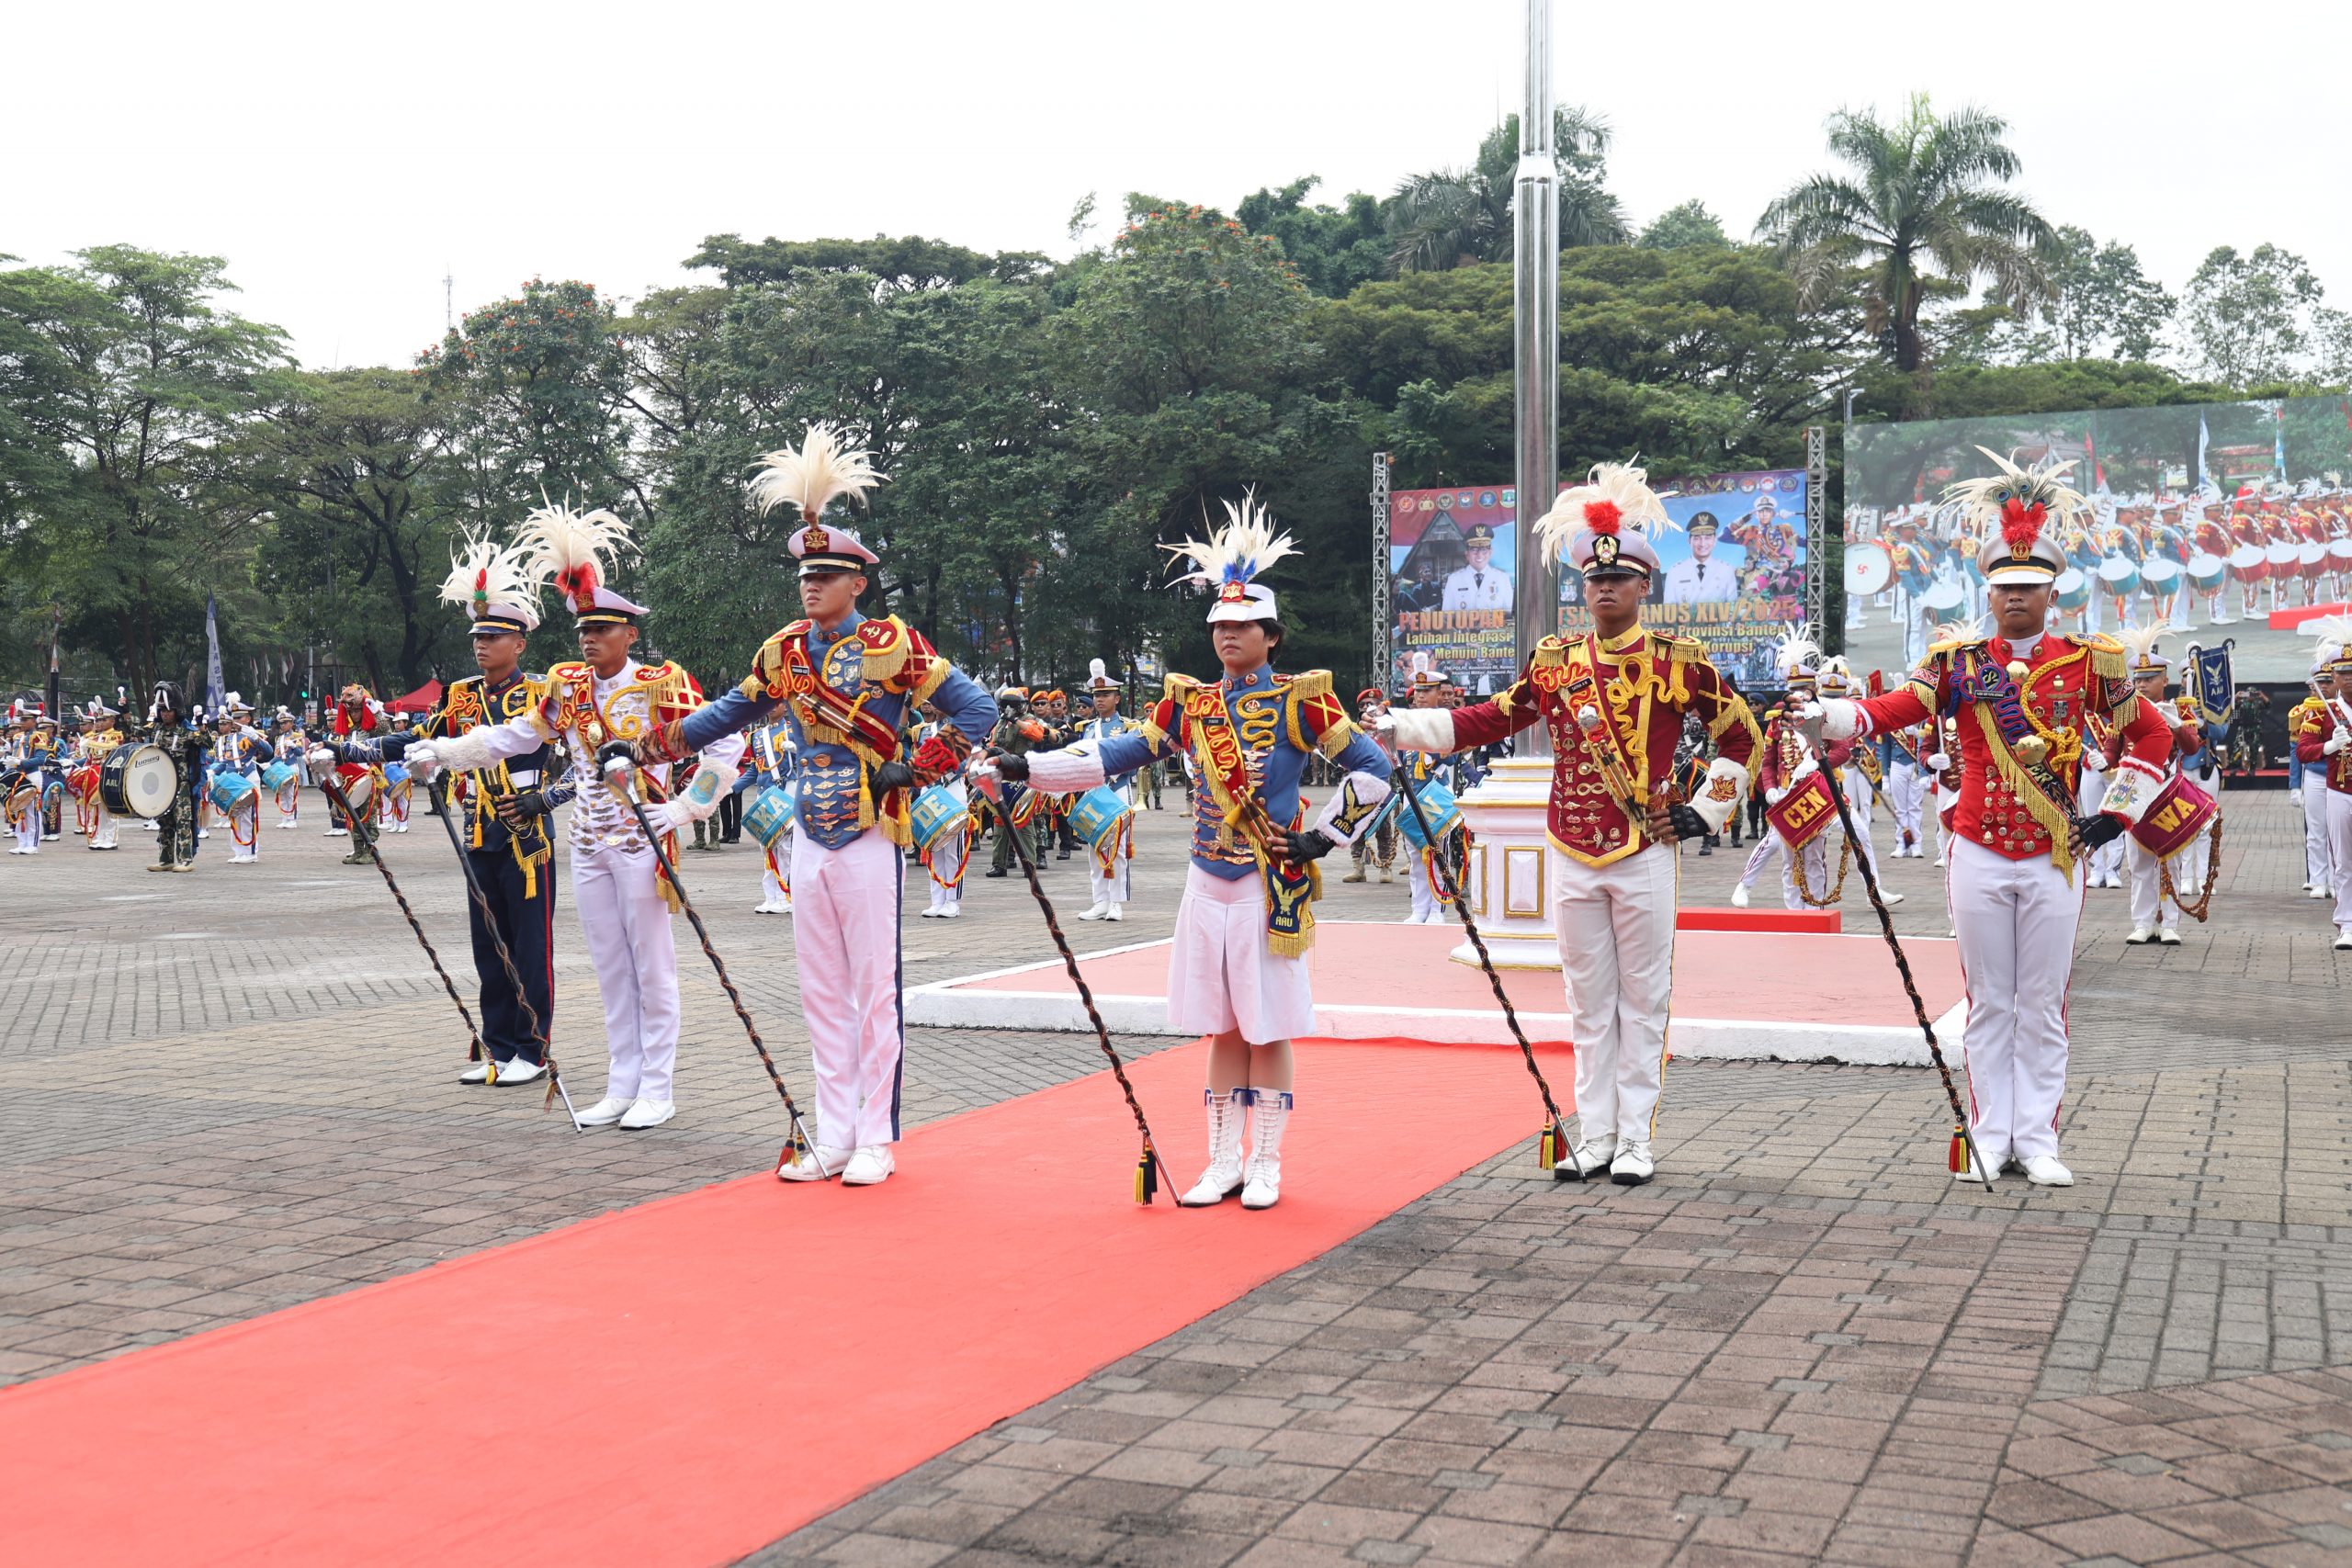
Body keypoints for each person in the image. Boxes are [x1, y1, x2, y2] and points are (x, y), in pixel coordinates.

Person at [614, 427, 998, 1185]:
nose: (810, 586)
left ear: (858, 583)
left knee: (874, 989)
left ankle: (876, 1136)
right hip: (808, 831)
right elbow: (725, 714)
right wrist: (647, 747)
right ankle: (832, 1133)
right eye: (804, 575)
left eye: (825, 575)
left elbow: (977, 710)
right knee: (820, 990)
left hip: (871, 829)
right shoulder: (785, 652)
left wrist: (918, 767)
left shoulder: (894, 644)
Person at [990, 493, 1393, 1210]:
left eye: (1242, 625)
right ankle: (1222, 1159)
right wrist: (1031, 767)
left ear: (1271, 635)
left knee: (1267, 1027)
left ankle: (1265, 1162)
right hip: (1206, 881)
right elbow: (1117, 753)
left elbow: (1375, 768)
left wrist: (1321, 838)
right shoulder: (1189, 703)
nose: (1227, 635)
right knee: (1222, 1025)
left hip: (1267, 882)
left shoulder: (1303, 700)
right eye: (1219, 626)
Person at [1383, 462, 1758, 1184]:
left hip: (1644, 846)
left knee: (1643, 1000)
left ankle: (1636, 1139)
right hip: (1572, 846)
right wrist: (1404, 727)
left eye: (1619, 579)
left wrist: (1704, 810)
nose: (1605, 588)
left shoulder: (1679, 662)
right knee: (1587, 1001)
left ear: (1644, 586)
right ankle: (1596, 1134)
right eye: (1594, 579)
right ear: (1583, 588)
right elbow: (1491, 718)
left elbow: (1742, 736)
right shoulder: (1556, 663)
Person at [1809, 448, 2173, 1186]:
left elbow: (2154, 734)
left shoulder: (2089, 663)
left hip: (2055, 853)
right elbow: (1897, 707)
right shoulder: (1957, 660)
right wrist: (1834, 716)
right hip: (1975, 846)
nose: (2015, 598)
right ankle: (1987, 1135)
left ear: (2051, 592)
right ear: (1990, 589)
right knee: (1988, 1003)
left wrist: (2119, 814)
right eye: (2004, 586)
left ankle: (2036, 1140)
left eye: (2028, 587)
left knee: (2041, 1003)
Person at [404, 502, 744, 1130]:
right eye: (584, 627)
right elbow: (516, 736)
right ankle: (621, 1083)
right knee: (611, 969)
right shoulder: (568, 688)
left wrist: (686, 808)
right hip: (588, 842)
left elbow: (726, 743)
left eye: (603, 628)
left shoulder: (662, 683)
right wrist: (445, 751)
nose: (589, 637)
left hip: (642, 839)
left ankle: (658, 1088)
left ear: (630, 634)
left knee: (652, 968)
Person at [339, 535, 572, 1086]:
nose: (482, 646)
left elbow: (573, 759)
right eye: (477, 637)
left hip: (526, 834)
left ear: (519, 643)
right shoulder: (460, 694)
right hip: (477, 832)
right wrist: (348, 749)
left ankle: (533, 1050)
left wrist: (543, 798)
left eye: (493, 637)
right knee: (488, 945)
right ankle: (498, 1048)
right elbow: (418, 737)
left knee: (530, 948)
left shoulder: (542, 694)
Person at [2110, 626, 2207, 946]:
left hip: (2166, 792)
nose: (2141, 684)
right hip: (2135, 793)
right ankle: (2143, 922)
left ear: (2164, 680)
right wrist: (2104, 761)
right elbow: (2113, 749)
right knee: (2138, 862)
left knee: (2171, 860)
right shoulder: (2126, 710)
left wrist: (2177, 726)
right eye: (2137, 679)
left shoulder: (2179, 708)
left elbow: (2192, 748)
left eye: (2149, 679)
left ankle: (2170, 923)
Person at [2292, 618, 2352, 951]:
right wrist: (2329, 746)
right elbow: (2303, 751)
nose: (2348, 677)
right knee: (2342, 859)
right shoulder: (2321, 711)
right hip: (2339, 791)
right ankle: (2347, 923)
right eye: (2342, 672)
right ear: (2333, 676)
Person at [1075, 660, 1140, 921]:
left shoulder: (1127, 726)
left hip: (1117, 789)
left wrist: (1109, 773)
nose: (1100, 700)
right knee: (1095, 847)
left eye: (1105, 695)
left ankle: (1116, 902)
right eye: (1096, 695)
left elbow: (1134, 761)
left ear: (1117, 698)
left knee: (1118, 848)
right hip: (1093, 791)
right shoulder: (1088, 728)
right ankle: (1100, 900)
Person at [1397, 653, 1461, 925]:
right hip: (1412, 794)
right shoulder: (1406, 722)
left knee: (1438, 855)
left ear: (1438, 693)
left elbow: (1452, 757)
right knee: (1415, 855)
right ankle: (1419, 908)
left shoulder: (1445, 721)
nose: (1421, 696)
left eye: (1426, 691)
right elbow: (1400, 759)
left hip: (1435, 794)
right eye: (1418, 691)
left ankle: (1437, 909)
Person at [914, 700, 971, 919]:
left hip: (951, 787)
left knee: (952, 849)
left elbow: (962, 764)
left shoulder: (960, 729)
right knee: (933, 846)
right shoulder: (925, 731)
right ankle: (936, 899)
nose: (934, 705)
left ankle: (952, 900)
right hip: (930, 788)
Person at [986, 686, 1048, 877]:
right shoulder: (1000, 723)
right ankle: (999, 864)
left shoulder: (1029, 720)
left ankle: (1029, 865)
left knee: (1024, 820)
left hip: (1022, 772)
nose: (1009, 709)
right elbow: (993, 743)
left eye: (1012, 705)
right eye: (1006, 705)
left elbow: (1037, 734)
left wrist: (1015, 721)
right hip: (1002, 773)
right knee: (1000, 821)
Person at [141, 683, 204, 873]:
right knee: (164, 821)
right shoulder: (156, 730)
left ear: (177, 711)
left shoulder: (186, 732)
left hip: (181, 783)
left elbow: (207, 743)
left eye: (168, 711)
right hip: (161, 783)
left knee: (183, 820)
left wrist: (201, 728)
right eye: (162, 711)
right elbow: (135, 733)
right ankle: (165, 859)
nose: (165, 714)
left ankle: (186, 860)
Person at [1343, 686, 1401, 886]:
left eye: (1371, 704)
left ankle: (1386, 866)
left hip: (1382, 784)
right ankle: (1357, 867)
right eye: (1363, 705)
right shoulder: (1354, 731)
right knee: (1356, 824)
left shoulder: (1388, 728)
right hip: (1360, 784)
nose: (1367, 708)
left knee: (1384, 827)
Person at [2291, 655, 2337, 900]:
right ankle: (2318, 879)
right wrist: (2294, 786)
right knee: (2317, 831)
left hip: (2342, 776)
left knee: (2338, 833)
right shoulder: (2308, 712)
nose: (2325, 686)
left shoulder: (2344, 709)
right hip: (2317, 774)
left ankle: (2336, 879)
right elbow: (2299, 750)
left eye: (2329, 681)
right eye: (2321, 682)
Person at [210, 697, 269, 864]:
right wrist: (212, 772)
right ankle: (239, 851)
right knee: (234, 815)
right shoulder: (229, 738)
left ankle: (250, 851)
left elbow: (268, 751)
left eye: (239, 717)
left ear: (247, 719)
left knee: (248, 816)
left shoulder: (251, 735)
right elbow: (226, 762)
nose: (235, 721)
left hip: (247, 778)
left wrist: (256, 738)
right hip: (233, 780)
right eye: (234, 717)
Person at [1661, 511, 1738, 604]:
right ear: (1689, 541)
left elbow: (1733, 607)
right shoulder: (1674, 571)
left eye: (1707, 538)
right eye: (1697, 538)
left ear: (1715, 540)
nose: (1702, 543)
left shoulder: (1726, 570)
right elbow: (1669, 609)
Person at [1441, 523, 1513, 611]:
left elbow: (1510, 614)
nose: (1479, 555)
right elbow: (1446, 616)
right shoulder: (1454, 580)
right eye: (1474, 550)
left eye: (1484, 550)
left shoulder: (1502, 579)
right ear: (1467, 554)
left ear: (1490, 553)